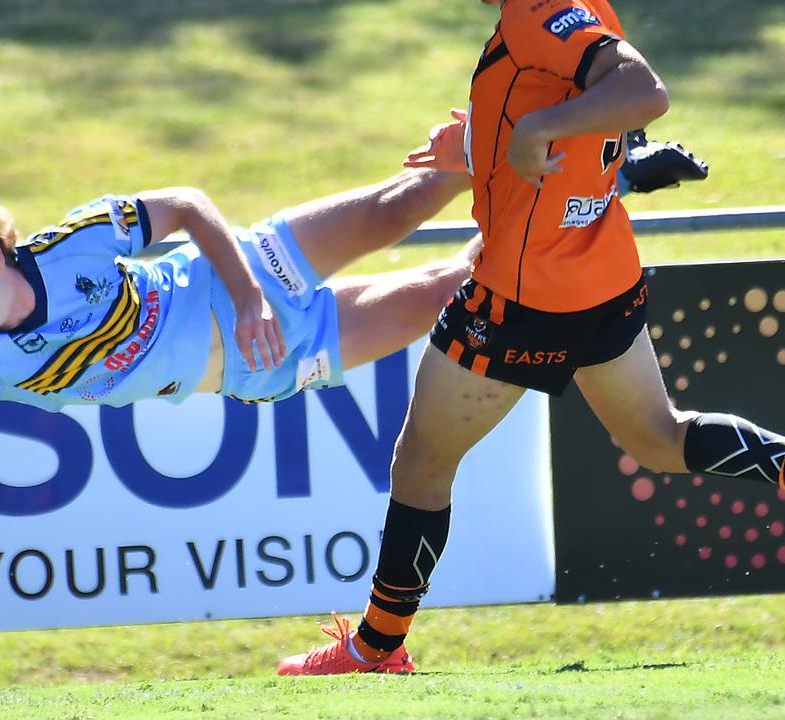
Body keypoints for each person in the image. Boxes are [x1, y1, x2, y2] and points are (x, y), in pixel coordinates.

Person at [276, 0, 782, 677]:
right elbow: (585, 120)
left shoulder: (534, 12)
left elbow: (642, 92)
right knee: (661, 438)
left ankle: (375, 648)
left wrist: (535, 125)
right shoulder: (577, 7)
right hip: (601, 279)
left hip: (524, 297)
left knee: (421, 463)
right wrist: (490, 138)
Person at [0, 163, 479, 474]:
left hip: (251, 277)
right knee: (450, 289)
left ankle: (510, 131)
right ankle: (552, 231)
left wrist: (247, 298)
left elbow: (186, 204)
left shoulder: (71, 243)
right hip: (273, 364)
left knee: (401, 207)